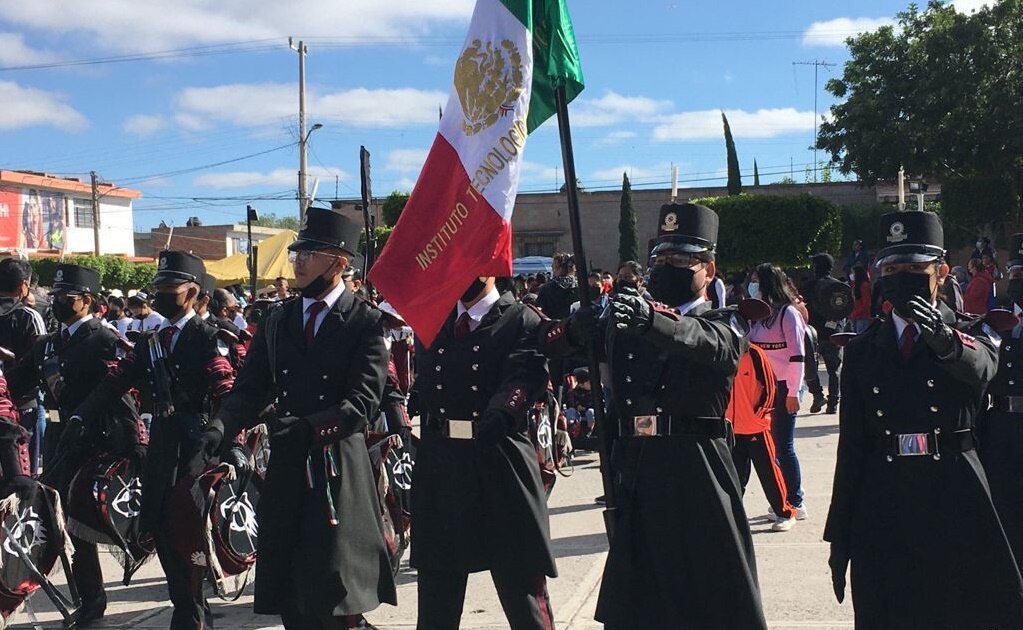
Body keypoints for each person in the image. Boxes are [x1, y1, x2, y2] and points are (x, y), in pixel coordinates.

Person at [540, 203, 768, 629]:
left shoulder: (725, 321)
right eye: (660, 258)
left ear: (709, 268)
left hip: (698, 473)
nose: (667, 268)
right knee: (640, 605)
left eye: (681, 260)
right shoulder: (630, 319)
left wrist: (652, 320)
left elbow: (707, 345)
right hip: (638, 471)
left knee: (711, 599)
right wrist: (580, 328)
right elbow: (553, 345)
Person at [191, 207, 396, 630]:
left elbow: (363, 403)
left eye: (310, 253)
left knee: (334, 598)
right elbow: (250, 389)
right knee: (292, 597)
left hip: (335, 472)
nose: (298, 261)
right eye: (297, 252)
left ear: (339, 262)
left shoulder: (365, 322)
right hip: (286, 470)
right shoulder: (278, 318)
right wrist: (219, 429)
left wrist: (307, 428)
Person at [825, 211, 1023, 627]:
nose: (903, 278)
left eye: (916, 269)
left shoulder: (972, 331)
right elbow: (852, 448)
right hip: (885, 497)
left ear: (941, 271)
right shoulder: (864, 350)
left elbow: (984, 370)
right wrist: (840, 536)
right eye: (893, 269)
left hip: (954, 494)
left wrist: (945, 342)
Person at [72, 253, 236, 630]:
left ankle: (194, 614)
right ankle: (187, 608)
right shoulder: (151, 341)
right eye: (157, 289)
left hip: (198, 446)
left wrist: (228, 440)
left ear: (193, 293)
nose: (160, 296)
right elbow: (116, 382)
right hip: (163, 446)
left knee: (191, 531)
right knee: (161, 528)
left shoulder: (210, 337)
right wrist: (82, 413)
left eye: (168, 290)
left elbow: (226, 392)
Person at [411, 274, 554, 630]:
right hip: (443, 462)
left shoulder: (521, 318)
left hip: (498, 458)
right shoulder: (436, 319)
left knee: (522, 589)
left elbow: (526, 376)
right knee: (436, 597)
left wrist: (504, 409)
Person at [5, 264, 144, 625]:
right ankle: (89, 600)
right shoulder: (48, 342)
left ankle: (96, 599)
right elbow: (17, 382)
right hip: (57, 441)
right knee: (62, 525)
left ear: (86, 301)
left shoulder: (105, 339)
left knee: (90, 523)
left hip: (95, 442)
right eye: (55, 297)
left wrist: (135, 446)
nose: (58, 304)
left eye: (66, 298)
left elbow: (123, 394)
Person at [750, 263, 808, 524]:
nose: (752, 286)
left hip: (785, 386)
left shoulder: (788, 314)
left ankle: (795, 502)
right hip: (764, 387)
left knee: (783, 446)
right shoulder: (759, 315)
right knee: (770, 447)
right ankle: (783, 497)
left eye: (755, 281)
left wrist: (793, 392)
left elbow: (797, 355)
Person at [978, 232, 1023, 566]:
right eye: (1016, 274)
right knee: (1005, 511)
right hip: (1002, 427)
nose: (1019, 280)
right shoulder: (997, 321)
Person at [0, 258, 47, 472]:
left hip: (17, 401)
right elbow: (42, 359)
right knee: (23, 468)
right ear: (23, 286)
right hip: (22, 403)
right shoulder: (29, 316)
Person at [803, 253, 846, 414]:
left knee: (809, 368)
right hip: (834, 333)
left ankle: (817, 395)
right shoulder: (839, 286)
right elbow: (845, 308)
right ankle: (833, 403)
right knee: (834, 370)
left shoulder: (807, 286)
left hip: (813, 334)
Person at [535, 252, 577, 320]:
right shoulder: (579, 287)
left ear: (560, 269)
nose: (552, 269)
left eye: (553, 267)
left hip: (553, 327)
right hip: (575, 326)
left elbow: (538, 310)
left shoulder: (547, 288)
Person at [847, 266, 873, 334]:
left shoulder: (864, 286)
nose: (851, 275)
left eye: (853, 273)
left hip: (862, 317)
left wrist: (856, 313)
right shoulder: (855, 286)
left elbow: (866, 304)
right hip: (854, 317)